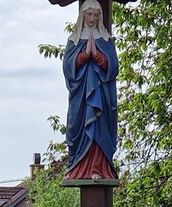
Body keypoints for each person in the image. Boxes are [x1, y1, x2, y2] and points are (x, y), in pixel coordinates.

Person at [63, 0, 119, 180]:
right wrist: (84, 55)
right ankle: (77, 168)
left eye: (96, 15)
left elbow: (113, 68)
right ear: (82, 15)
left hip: (101, 95)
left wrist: (97, 56)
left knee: (98, 128)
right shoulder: (74, 40)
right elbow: (68, 68)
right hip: (80, 95)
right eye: (89, 14)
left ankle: (98, 168)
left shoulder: (106, 39)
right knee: (77, 126)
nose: (92, 19)